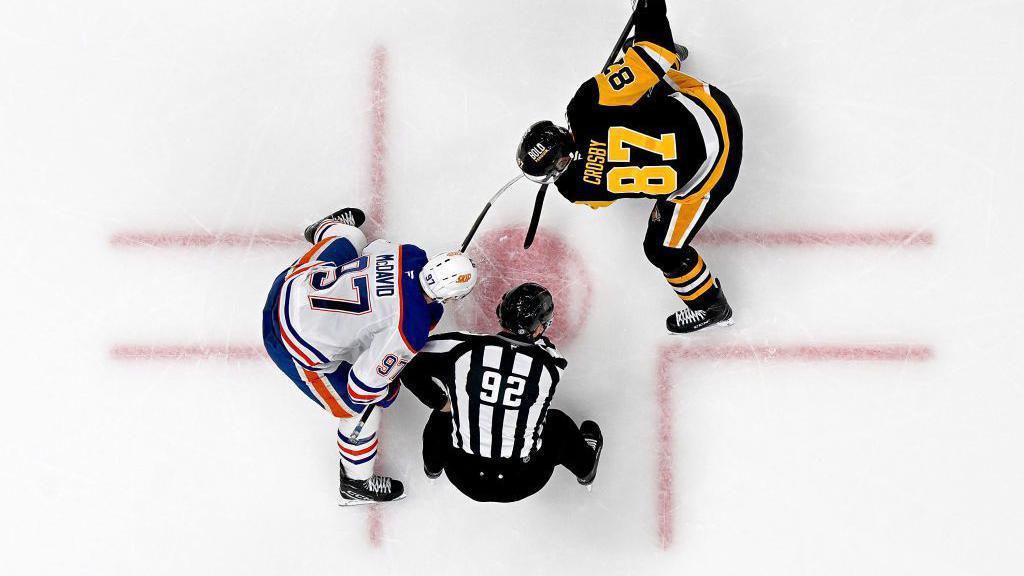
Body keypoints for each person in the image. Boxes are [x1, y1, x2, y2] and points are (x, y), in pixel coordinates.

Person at [516, 0, 743, 334]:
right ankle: (648, 65)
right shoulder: (583, 107)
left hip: (714, 172)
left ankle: (711, 304)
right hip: (713, 110)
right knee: (640, 81)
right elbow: (657, 51)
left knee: (662, 250)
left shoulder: (575, 190)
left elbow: (605, 197)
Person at [261, 207, 478, 505]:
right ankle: (355, 484)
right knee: (362, 410)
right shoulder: (410, 327)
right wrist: (389, 390)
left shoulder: (411, 254)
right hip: (291, 345)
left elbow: (376, 252)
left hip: (287, 289)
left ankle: (327, 228)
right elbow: (362, 387)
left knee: (353, 237)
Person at [400, 282, 603, 503]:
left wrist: (441, 402)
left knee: (442, 415)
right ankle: (586, 469)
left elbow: (406, 363)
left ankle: (433, 467)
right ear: (538, 329)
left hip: (463, 474)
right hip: (522, 480)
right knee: (558, 423)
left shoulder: (460, 348)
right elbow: (540, 348)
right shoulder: (551, 363)